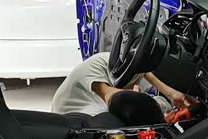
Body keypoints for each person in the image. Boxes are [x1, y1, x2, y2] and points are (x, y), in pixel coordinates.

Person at [51, 50, 187, 121]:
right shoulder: (95, 74)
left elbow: (142, 69)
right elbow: (120, 101)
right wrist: (161, 109)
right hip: (73, 118)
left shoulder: (113, 62)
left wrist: (171, 93)